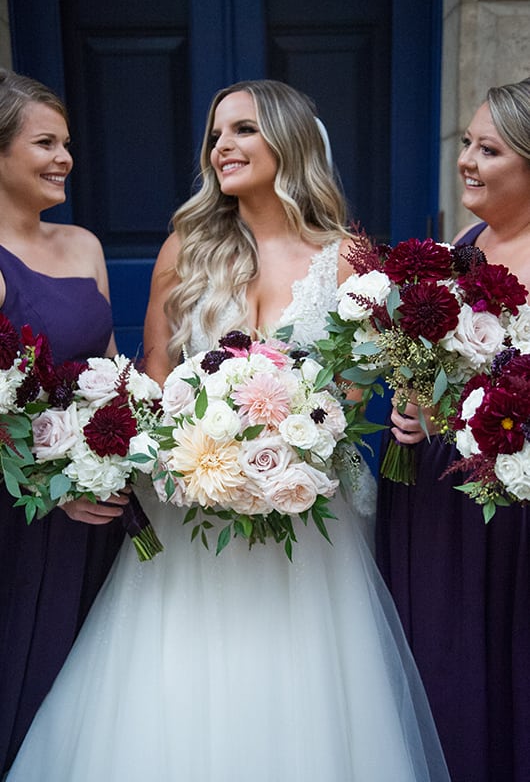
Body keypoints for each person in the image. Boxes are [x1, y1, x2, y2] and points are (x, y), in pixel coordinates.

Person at [7, 79, 449, 781]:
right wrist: (201, 444)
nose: (222, 147)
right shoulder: (188, 247)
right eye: (216, 135)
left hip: (310, 518)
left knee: (308, 689)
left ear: (289, 139)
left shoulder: (349, 258)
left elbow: (366, 387)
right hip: (192, 512)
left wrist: (310, 431)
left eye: (242, 130)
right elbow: (152, 379)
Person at [376, 77, 530, 782]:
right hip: (432, 497)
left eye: (488, 149)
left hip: (506, 515)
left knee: (496, 662)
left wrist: (464, 416)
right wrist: (411, 400)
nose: (465, 159)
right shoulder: (464, 244)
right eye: (467, 143)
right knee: (436, 659)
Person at [0, 69, 128, 775]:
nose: (64, 158)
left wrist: (125, 451)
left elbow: (109, 372)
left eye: (67, 143)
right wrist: (51, 485)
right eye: (44, 143)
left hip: (97, 501)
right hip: (20, 512)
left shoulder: (82, 246)